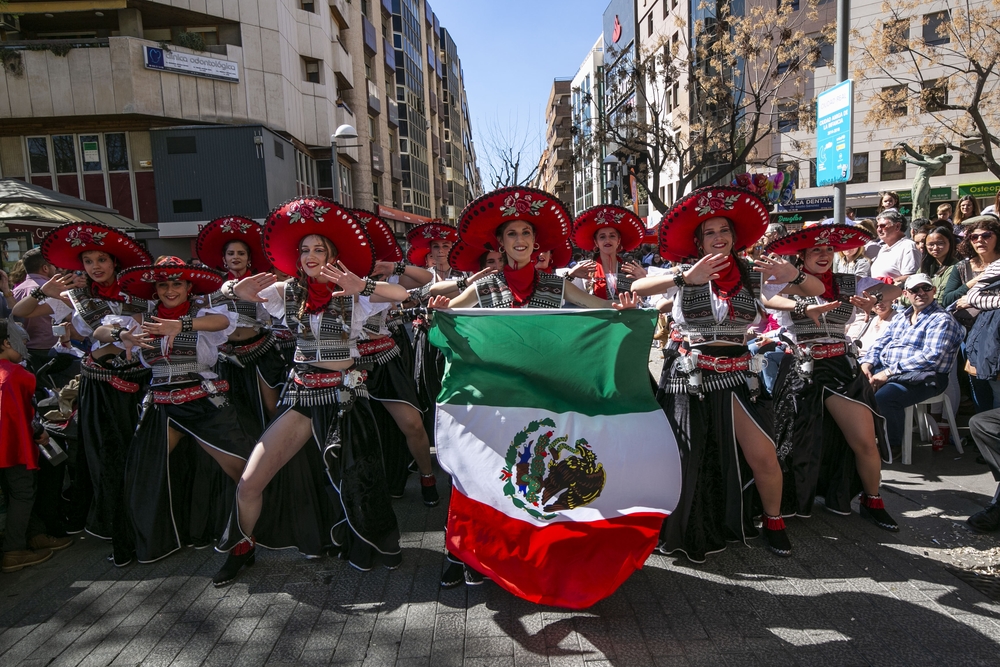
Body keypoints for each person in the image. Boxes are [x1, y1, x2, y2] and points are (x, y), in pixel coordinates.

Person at [427, 185, 638, 586]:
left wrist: (624, 308)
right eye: (511, 234)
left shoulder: (557, 287)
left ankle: (532, 556)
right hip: (494, 401)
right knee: (478, 475)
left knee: (534, 479)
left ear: (535, 242)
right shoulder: (484, 287)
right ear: (501, 243)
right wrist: (439, 311)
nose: (520, 240)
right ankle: (467, 555)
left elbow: (601, 311)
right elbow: (449, 320)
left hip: (541, 401)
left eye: (526, 233)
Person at [214, 197, 411, 586]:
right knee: (252, 480)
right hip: (303, 394)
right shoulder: (285, 291)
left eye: (319, 248)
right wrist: (234, 285)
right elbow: (225, 296)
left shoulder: (353, 292)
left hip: (345, 397)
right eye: (304, 249)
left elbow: (402, 296)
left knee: (358, 483)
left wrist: (364, 284)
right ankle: (241, 547)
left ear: (334, 254)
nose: (310, 255)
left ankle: (366, 543)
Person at [629, 186, 825, 562]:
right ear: (699, 240)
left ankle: (774, 521)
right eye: (710, 232)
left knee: (763, 454)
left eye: (724, 231)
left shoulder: (753, 274)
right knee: (686, 456)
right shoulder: (684, 271)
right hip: (689, 376)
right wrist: (687, 277)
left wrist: (795, 273)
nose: (718, 237)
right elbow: (638, 287)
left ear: (735, 237)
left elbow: (814, 288)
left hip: (739, 374)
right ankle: (678, 524)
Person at [13, 223, 153, 566]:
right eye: (88, 260)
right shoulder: (75, 295)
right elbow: (18, 314)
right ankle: (113, 524)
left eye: (101, 258)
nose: (95, 266)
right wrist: (42, 291)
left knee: (143, 452)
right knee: (105, 456)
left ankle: (148, 520)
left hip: (140, 381)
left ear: (115, 261)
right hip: (99, 385)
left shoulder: (137, 291)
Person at [99, 258, 250, 563]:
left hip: (202, 400)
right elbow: (100, 331)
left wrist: (180, 324)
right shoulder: (143, 317)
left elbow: (222, 324)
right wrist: (121, 336)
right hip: (160, 405)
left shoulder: (203, 313)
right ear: (155, 289)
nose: (170, 290)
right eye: (163, 284)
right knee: (142, 471)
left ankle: (247, 534)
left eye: (177, 283)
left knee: (240, 467)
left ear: (189, 287)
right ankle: (151, 539)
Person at [762, 225, 897, 529]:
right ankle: (786, 505)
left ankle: (872, 499)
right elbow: (766, 298)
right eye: (815, 250)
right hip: (802, 367)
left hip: (840, 367)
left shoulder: (848, 281)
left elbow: (894, 289)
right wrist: (800, 296)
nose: (823, 255)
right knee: (795, 444)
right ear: (802, 255)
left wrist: (871, 298)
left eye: (828, 250)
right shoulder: (785, 278)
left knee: (864, 441)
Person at [350, 209, 439, 505]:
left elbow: (426, 278)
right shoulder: (332, 278)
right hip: (346, 365)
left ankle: (427, 476)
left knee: (411, 423)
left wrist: (394, 265)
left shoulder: (380, 276)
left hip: (384, 360)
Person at [196, 216, 287, 436]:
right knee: (230, 411)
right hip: (225, 357)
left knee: (271, 407)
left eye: (241, 253)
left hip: (259, 352)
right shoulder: (212, 289)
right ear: (224, 259)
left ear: (249, 259)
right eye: (231, 253)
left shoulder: (262, 284)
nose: (235, 257)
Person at [860, 274, 964, 457]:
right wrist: (867, 363)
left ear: (934, 291)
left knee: (885, 398)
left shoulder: (941, 320)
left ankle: (893, 446)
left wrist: (888, 372)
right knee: (854, 387)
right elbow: (880, 342)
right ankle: (866, 441)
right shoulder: (901, 317)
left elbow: (931, 357)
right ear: (906, 294)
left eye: (925, 288)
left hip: (925, 377)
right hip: (889, 371)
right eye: (915, 290)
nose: (921, 293)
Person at [0, 319, 73, 572]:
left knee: (14, 493)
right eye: (21, 342)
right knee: (22, 492)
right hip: (11, 448)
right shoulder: (18, 375)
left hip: (8, 445)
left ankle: (34, 535)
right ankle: (14, 550)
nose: (26, 347)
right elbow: (24, 416)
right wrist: (39, 432)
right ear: (7, 342)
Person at [943, 216, 1000, 411]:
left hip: (995, 331)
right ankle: (981, 426)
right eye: (974, 237)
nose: (979, 240)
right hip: (967, 333)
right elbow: (947, 300)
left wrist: (972, 299)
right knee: (977, 383)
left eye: (986, 235)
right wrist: (974, 282)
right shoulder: (962, 267)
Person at [11, 249, 79, 385]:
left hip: (23, 351)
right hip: (50, 350)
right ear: (45, 268)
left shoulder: (16, 289)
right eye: (54, 265)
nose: (57, 269)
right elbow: (73, 328)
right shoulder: (54, 290)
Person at [567, 205, 648, 298]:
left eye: (612, 236)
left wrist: (646, 279)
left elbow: (647, 299)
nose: (607, 240)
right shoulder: (585, 268)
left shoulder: (632, 267)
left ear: (618, 240)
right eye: (602, 237)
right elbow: (567, 296)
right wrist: (571, 275)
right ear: (596, 242)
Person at [870, 209, 920, 284]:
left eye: (883, 226)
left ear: (897, 226)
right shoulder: (883, 248)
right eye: (877, 226)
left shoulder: (908, 246)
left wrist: (887, 283)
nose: (879, 230)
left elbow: (911, 277)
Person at [920, 226, 959, 303]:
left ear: (950, 243)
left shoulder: (955, 267)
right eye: (931, 244)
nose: (935, 248)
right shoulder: (927, 265)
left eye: (940, 243)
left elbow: (941, 297)